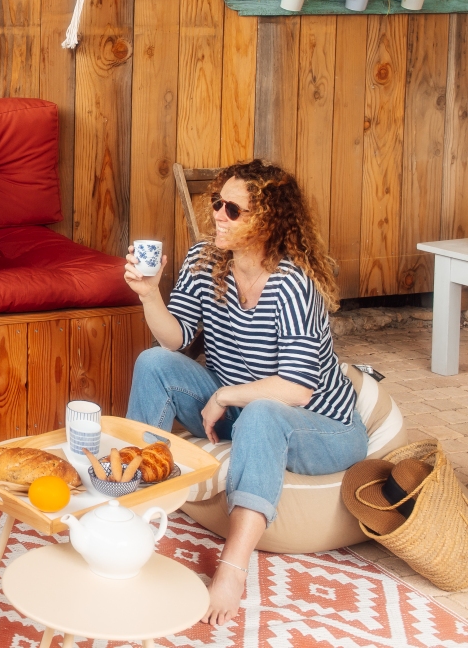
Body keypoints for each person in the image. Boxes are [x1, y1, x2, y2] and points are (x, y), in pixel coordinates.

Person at [122, 159, 366, 626]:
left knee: (262, 412)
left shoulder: (292, 283)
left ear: (268, 220)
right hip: (239, 409)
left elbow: (296, 389)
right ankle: (133, 506)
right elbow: (175, 341)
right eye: (217, 202)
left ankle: (233, 569)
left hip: (322, 426)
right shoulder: (205, 260)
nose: (218, 214)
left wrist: (224, 396)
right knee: (153, 363)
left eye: (232, 209)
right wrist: (149, 293)